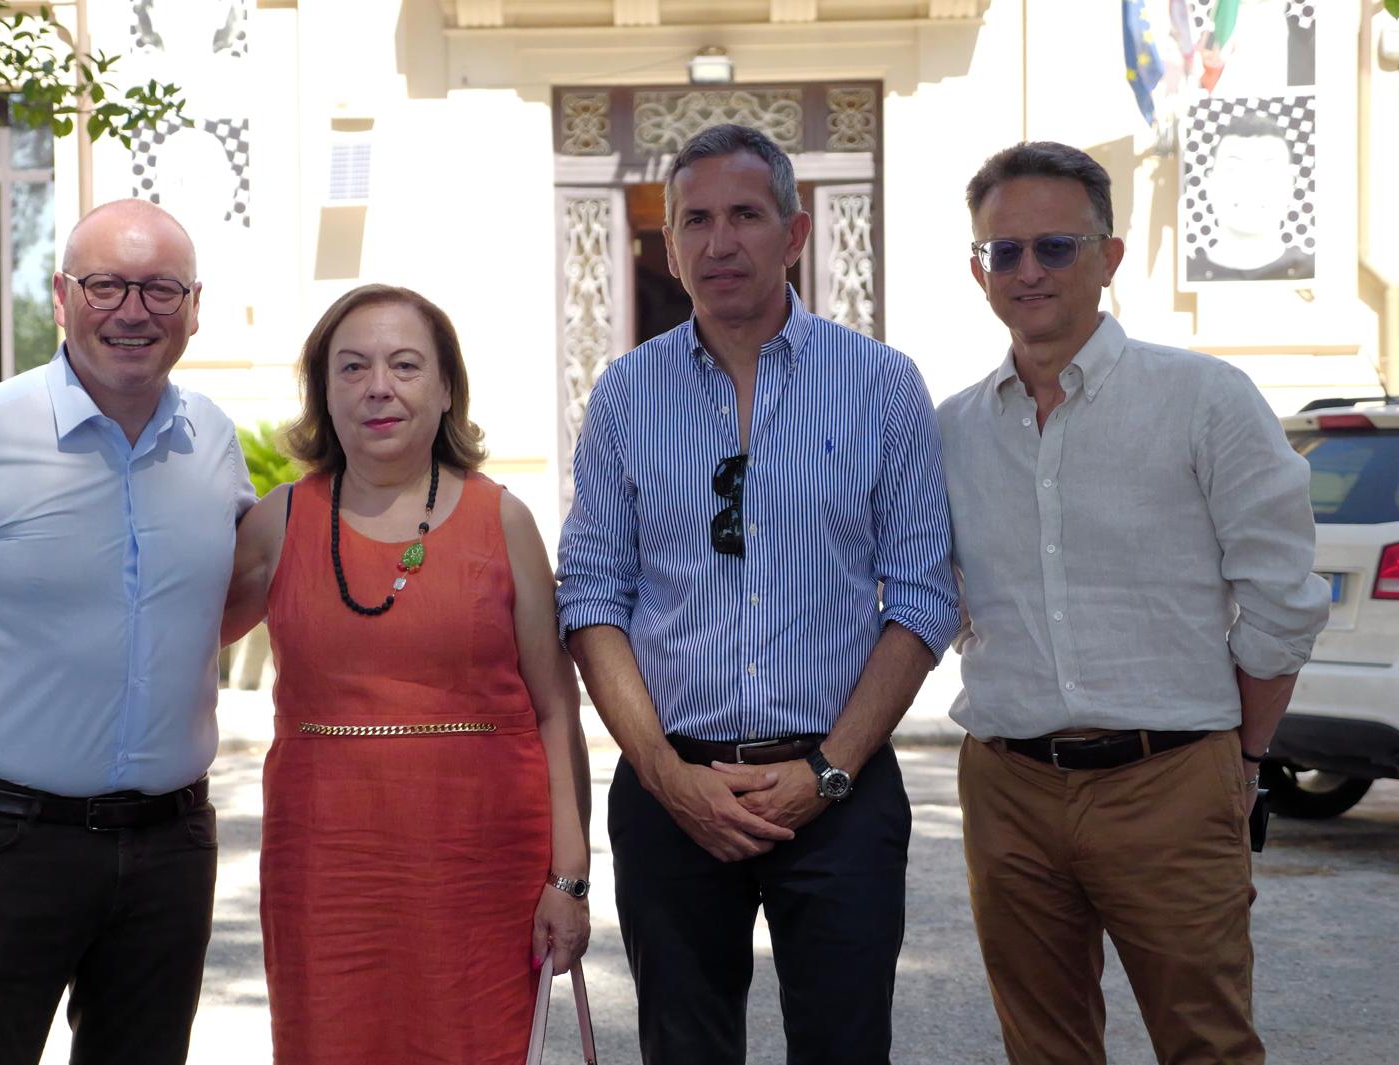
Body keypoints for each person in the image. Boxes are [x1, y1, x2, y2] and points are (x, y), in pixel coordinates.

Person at [556, 123, 959, 1064]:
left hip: (840, 790)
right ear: (668, 246)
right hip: (674, 792)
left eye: (745, 214)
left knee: (845, 1046)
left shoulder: (881, 386)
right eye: (694, 220)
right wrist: (663, 773)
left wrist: (828, 772)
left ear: (797, 232)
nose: (719, 241)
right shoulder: (623, 394)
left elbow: (923, 595)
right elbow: (592, 597)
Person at [941, 141, 1330, 1065]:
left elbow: (1282, 600)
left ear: (1109, 256)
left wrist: (1241, 757)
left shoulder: (1204, 400)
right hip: (1008, 786)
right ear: (978, 271)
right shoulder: (949, 428)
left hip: (1169, 779)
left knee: (1207, 1045)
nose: (1029, 270)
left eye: (1056, 247)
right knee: (1044, 1051)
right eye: (1006, 252)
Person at [0, 198, 253, 1065]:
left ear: (193, 306)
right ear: (62, 297)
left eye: (159, 289)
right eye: (105, 285)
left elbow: (223, 597)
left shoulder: (212, 442)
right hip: (0, 845)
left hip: (169, 850)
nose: (132, 310)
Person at [223, 283, 591, 1064]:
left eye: (405, 364)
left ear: (446, 385)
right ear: (324, 391)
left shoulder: (505, 521)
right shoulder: (276, 522)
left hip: (482, 875)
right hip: (325, 871)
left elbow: (556, 710)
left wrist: (572, 876)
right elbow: (168, 643)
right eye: (351, 367)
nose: (378, 387)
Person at [1186, 111, 1313, 283]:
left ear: (1291, 184)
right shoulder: (1191, 274)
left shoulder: (1310, 270)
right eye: (1234, 169)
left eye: (1268, 170)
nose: (1251, 184)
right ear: (1210, 183)